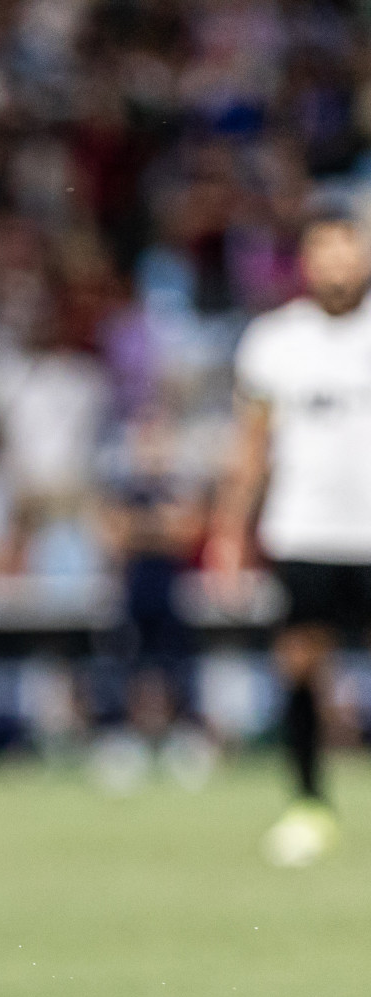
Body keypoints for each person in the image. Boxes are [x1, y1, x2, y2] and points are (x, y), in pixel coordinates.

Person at [212, 214, 371, 866]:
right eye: (323, 253)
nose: (337, 266)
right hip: (304, 528)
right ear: (305, 263)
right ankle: (308, 804)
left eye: (347, 252)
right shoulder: (275, 342)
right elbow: (250, 449)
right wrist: (229, 533)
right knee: (302, 662)